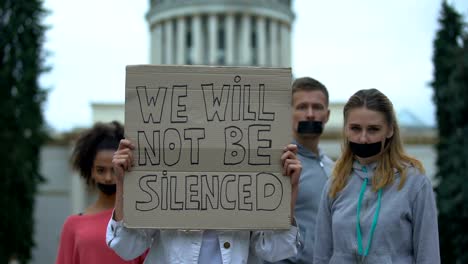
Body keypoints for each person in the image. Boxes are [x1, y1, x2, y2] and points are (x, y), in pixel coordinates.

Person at [106, 139, 302, 263]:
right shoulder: (163, 186)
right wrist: (123, 183)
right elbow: (126, 247)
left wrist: (289, 188)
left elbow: (276, 250)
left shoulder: (250, 187)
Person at [313, 89, 440, 263]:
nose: (363, 139)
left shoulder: (414, 183)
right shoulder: (336, 183)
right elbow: (321, 254)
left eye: (373, 129)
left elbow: (428, 255)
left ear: (390, 131)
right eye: (355, 128)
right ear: (346, 130)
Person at [55, 121, 145, 264]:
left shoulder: (142, 224)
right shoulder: (73, 225)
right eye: (101, 170)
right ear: (90, 170)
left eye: (115, 169)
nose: (108, 178)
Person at [268, 77, 334, 264]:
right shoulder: (278, 163)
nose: (310, 114)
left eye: (317, 107)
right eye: (302, 107)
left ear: (327, 115)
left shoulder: (333, 167)